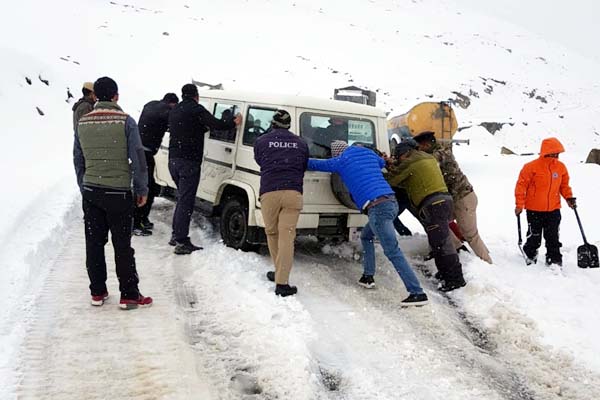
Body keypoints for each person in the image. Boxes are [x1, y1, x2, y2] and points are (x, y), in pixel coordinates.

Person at [308, 140, 428, 306]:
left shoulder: (341, 160)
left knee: (392, 251)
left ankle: (417, 292)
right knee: (366, 236)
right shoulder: (370, 155)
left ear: (338, 153)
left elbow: (314, 164)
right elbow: (382, 162)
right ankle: (368, 276)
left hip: (377, 207)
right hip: (391, 202)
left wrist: (297, 158)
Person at [73, 76, 152, 310]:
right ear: (116, 96)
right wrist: (141, 189)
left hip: (91, 192)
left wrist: (84, 185)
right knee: (122, 245)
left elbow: (78, 158)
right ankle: (128, 295)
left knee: (94, 243)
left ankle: (97, 292)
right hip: (118, 192)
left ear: (95, 96)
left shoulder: (83, 122)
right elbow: (138, 158)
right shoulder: (126, 121)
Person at [168, 83, 241, 255]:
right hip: (189, 161)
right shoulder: (196, 110)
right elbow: (217, 124)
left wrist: (201, 128)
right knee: (186, 201)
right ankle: (181, 241)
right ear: (196, 96)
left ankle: (175, 235)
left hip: (174, 160)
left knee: (182, 199)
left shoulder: (175, 110)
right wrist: (233, 122)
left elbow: (185, 128)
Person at [386, 140, 466, 292]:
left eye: (399, 156)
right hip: (444, 200)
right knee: (438, 242)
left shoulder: (411, 162)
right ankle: (444, 274)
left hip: (433, 204)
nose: (398, 159)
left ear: (406, 153)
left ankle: (455, 279)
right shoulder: (426, 158)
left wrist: (388, 166)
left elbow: (392, 180)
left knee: (442, 244)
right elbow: (412, 180)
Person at [413, 131, 493, 264]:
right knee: (438, 225)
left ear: (426, 145)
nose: (418, 150)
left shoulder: (442, 154)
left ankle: (487, 264)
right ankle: (457, 247)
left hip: (463, 198)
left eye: (419, 147)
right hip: (454, 199)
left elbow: (430, 161)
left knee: (470, 235)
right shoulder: (434, 153)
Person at [254, 110, 309, 297]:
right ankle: (282, 280)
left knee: (272, 232)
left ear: (273, 123)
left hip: (269, 191)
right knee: (287, 237)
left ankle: (279, 275)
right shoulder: (301, 143)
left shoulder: (261, 141)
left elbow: (260, 161)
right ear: (289, 124)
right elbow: (303, 165)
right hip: (293, 191)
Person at [514, 137, 576, 266]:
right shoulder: (531, 167)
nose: (557, 155)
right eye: (555, 152)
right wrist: (519, 204)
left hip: (553, 209)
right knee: (534, 236)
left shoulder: (560, 167)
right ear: (547, 152)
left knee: (553, 236)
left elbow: (564, 186)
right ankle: (530, 254)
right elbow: (521, 186)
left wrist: (569, 198)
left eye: (558, 153)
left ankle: (554, 259)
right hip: (534, 209)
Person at [133, 93, 180, 236]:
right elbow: (175, 125)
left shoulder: (150, 105)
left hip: (138, 150)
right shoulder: (167, 111)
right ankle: (136, 223)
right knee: (146, 187)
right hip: (144, 153)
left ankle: (141, 219)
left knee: (148, 186)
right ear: (172, 103)